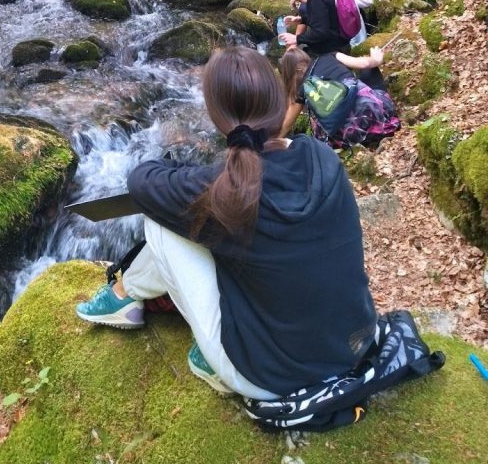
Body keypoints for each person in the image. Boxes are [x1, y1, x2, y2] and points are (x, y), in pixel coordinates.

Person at [75, 46, 378, 400]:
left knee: (161, 221)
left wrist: (188, 172)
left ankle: (125, 297)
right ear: (278, 100)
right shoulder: (321, 156)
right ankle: (125, 295)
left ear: (216, 115)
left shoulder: (223, 188)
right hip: (355, 346)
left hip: (272, 379)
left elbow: (141, 181)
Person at [279, 45, 400, 149]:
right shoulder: (330, 56)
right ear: (306, 58)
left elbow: (286, 125)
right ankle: (383, 115)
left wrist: (271, 143)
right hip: (375, 115)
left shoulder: (302, 90)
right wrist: (376, 59)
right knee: (367, 71)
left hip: (349, 136)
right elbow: (365, 63)